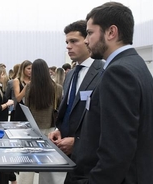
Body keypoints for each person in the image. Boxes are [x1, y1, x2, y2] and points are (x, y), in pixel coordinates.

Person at [66, 2, 153, 183]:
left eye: (90, 33)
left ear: (111, 32)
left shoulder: (118, 72)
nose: (87, 40)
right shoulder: (135, 64)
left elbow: (117, 150)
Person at [47, 20, 104, 184]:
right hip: (69, 157)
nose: (68, 46)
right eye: (67, 42)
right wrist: (59, 130)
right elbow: (69, 110)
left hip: (92, 160)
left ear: (88, 40)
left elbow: (105, 121)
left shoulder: (104, 72)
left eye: (74, 41)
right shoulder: (71, 74)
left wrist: (78, 143)